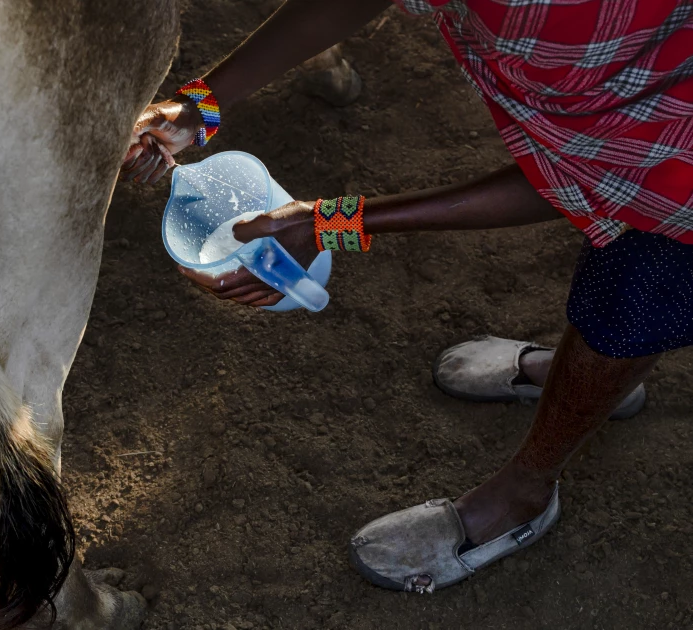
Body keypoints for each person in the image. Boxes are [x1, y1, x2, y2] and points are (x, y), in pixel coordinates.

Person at [122, 0, 693, 593]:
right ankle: (575, 381)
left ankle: (523, 493)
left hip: (675, 165)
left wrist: (334, 222)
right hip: (620, 114)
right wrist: (201, 104)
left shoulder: (569, 21)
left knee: (633, 298)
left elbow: (593, 181)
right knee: (613, 305)